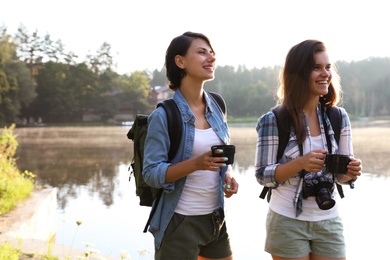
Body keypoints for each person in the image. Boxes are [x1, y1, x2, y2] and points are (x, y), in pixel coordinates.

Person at [254, 39, 362, 260]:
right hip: (286, 220)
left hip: (328, 219)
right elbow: (262, 175)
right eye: (316, 67)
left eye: (328, 67)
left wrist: (350, 172)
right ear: (298, 73)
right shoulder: (273, 120)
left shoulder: (338, 117)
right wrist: (299, 164)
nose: (325, 74)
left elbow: (340, 177)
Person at [143, 31, 238, 260]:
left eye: (211, 52)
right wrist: (195, 164)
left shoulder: (217, 105)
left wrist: (228, 175)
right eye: (201, 52)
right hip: (179, 223)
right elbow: (151, 173)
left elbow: (220, 155)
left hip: (215, 219)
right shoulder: (164, 115)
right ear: (180, 61)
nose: (211, 57)